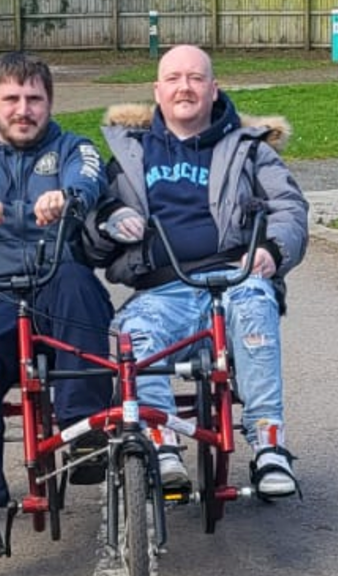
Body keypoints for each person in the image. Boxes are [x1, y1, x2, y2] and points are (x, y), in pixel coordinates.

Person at [82, 45, 308, 497]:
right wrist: (109, 226)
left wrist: (271, 250)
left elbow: (290, 208)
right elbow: (91, 231)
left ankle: (268, 445)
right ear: (157, 90)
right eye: (174, 78)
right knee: (135, 336)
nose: (184, 87)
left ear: (213, 87)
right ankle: (162, 444)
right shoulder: (128, 153)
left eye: (196, 78)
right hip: (160, 288)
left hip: (232, 279)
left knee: (255, 303)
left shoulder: (249, 149)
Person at [0, 51, 114, 554]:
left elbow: (90, 178)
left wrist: (68, 196)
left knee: (81, 289)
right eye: (11, 98)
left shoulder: (73, 146)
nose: (23, 109)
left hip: (56, 279)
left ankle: (86, 431)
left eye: (34, 98)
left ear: (50, 103)